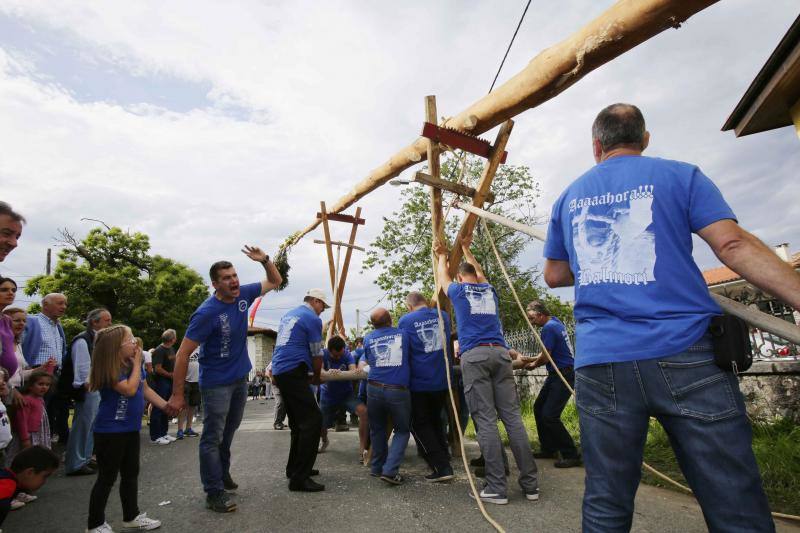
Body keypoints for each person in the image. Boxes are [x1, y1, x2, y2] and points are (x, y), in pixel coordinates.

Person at [543, 103, 800, 532]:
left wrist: (594, 261)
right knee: (731, 498)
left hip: (602, 362)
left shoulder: (569, 197)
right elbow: (732, 245)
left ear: (596, 146)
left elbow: (554, 274)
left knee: (607, 500)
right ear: (644, 140)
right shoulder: (681, 176)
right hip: (686, 353)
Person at [166, 246, 282, 512]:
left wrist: (265, 260)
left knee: (228, 432)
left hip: (239, 377)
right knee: (212, 436)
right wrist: (178, 393)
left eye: (235, 275)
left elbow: (275, 281)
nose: (234, 281)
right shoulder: (206, 313)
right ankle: (213, 491)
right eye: (227, 278)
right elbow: (183, 355)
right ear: (215, 284)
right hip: (216, 383)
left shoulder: (244, 295)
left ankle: (222, 472)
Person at [435, 236, 539, 505]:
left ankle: (496, 488)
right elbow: (479, 272)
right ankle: (530, 485)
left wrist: (441, 254)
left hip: (476, 355)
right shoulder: (489, 290)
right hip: (501, 354)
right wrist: (468, 249)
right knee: (513, 420)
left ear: (460, 277)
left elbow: (442, 277)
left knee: (485, 421)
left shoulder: (458, 291)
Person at [86, 324, 164, 533]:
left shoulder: (132, 367)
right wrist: (138, 363)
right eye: (130, 341)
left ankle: (131, 516)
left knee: (131, 474)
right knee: (107, 477)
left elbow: (145, 390)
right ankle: (95, 524)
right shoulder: (110, 369)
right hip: (110, 431)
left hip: (130, 429)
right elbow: (129, 390)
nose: (135, 343)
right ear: (115, 348)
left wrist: (167, 406)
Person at [270, 289, 328, 493]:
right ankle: (299, 478)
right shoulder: (311, 318)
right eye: (323, 306)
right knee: (313, 420)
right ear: (315, 301)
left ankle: (294, 468)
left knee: (297, 423)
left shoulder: (289, 314)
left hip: (281, 369)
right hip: (294, 369)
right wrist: (317, 376)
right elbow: (317, 352)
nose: (322, 311)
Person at [397, 291, 455, 483]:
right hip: (441, 379)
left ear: (409, 306)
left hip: (420, 381)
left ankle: (440, 465)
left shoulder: (405, 321)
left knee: (418, 423)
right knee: (435, 420)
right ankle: (444, 457)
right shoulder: (443, 316)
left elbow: (403, 349)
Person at [524, 301, 580, 468]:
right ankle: (548, 448)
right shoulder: (555, 322)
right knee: (539, 408)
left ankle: (571, 454)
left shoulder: (548, 328)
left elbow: (546, 356)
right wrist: (532, 358)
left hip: (564, 374)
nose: (532, 322)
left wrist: (533, 364)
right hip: (558, 373)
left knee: (550, 415)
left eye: (532, 319)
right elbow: (548, 352)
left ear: (541, 315)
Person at [362, 308, 412, 485]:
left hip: (373, 387)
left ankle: (377, 468)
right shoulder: (404, 335)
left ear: (373, 324)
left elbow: (368, 360)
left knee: (377, 429)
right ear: (391, 319)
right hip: (397, 389)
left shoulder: (368, 338)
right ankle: (390, 471)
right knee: (402, 430)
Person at [61, 308, 112, 476]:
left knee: (91, 425)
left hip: (96, 387)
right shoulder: (83, 340)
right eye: (106, 320)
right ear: (94, 322)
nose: (109, 323)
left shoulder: (98, 339)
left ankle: (85, 458)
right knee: (82, 425)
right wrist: (89, 386)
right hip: (88, 388)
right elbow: (82, 369)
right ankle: (75, 462)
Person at [21, 293, 69, 445]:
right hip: (36, 373)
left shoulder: (58, 325)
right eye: (60, 303)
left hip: (55, 374)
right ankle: (30, 443)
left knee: (52, 411)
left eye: (65, 304)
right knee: (35, 411)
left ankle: (45, 443)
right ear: (45, 305)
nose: (64, 307)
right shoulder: (32, 321)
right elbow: (20, 344)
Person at [318, 336, 367, 458]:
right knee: (320, 425)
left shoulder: (347, 354)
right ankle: (324, 441)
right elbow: (320, 372)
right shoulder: (322, 354)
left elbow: (353, 371)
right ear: (329, 350)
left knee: (364, 412)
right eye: (335, 356)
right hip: (328, 396)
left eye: (341, 355)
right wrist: (328, 373)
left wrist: (340, 374)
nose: (339, 358)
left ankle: (363, 447)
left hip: (346, 395)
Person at [0, 445, 59, 527]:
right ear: (29, 472)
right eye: (45, 476)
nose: (44, 482)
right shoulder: (5, 492)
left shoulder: (6, 477)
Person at [150, 329, 178, 445]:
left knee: (167, 407)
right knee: (158, 408)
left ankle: (164, 432)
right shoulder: (159, 350)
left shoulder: (171, 349)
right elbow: (157, 368)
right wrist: (170, 375)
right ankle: (155, 436)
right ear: (172, 339)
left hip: (169, 382)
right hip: (161, 382)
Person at [2, 308, 33, 390]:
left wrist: (40, 370)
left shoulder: (18, 344)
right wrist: (11, 387)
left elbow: (18, 375)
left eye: (24, 321)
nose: (22, 324)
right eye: (17, 320)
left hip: (15, 390)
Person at [177, 347, 201, 439]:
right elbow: (178, 365)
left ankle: (188, 428)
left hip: (197, 381)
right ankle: (180, 430)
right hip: (185, 381)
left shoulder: (201, 349)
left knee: (193, 406)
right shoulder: (184, 348)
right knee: (183, 406)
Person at [0, 278, 20, 381]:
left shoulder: (7, 320)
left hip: (7, 382)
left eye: (14, 290)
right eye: (4, 290)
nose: (10, 293)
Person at [267, 362, 286, 430]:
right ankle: (277, 423)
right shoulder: (276, 359)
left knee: (286, 403)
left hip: (285, 384)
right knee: (280, 402)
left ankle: (280, 421)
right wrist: (272, 379)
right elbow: (268, 371)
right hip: (276, 384)